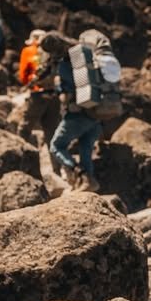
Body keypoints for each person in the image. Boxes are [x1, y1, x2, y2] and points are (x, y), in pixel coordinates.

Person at [48, 28, 122, 191]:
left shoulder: (67, 65)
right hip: (96, 115)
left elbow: (65, 97)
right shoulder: (100, 63)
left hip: (78, 116)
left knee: (56, 146)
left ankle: (81, 174)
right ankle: (89, 183)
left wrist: (58, 86)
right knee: (85, 147)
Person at [17, 28, 60, 147]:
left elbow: (23, 76)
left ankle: (20, 158)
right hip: (54, 94)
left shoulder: (28, 51)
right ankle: (56, 164)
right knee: (51, 132)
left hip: (37, 94)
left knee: (24, 129)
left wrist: (28, 84)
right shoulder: (54, 53)